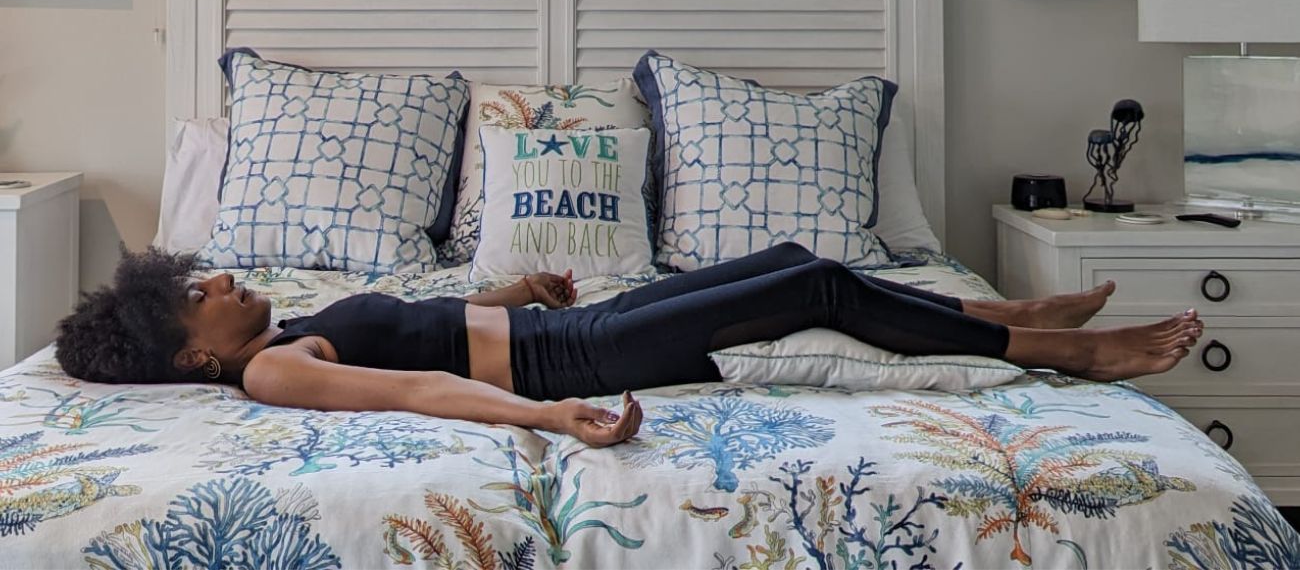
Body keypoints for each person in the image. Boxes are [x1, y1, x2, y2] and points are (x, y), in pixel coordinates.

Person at [55, 243, 1203, 448]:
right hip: (580, 361)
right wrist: (544, 415)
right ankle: (1056, 354)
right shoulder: (270, 368)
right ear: (195, 356)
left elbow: (428, 324)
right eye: (192, 292)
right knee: (803, 284)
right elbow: (415, 384)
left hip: (562, 326)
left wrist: (505, 290)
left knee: (797, 261)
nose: (213, 277)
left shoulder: (285, 332)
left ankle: (993, 317)